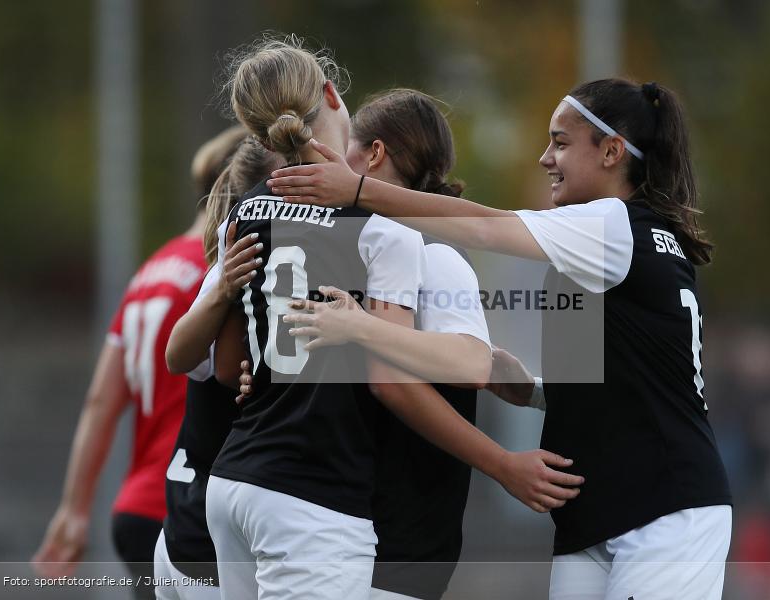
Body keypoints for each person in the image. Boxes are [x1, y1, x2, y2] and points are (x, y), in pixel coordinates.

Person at [269, 78, 733, 600]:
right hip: (598, 510)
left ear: (611, 151)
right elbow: (628, 380)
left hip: (662, 508)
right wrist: (530, 389)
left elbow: (484, 226)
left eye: (560, 142)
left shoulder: (613, 224)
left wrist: (357, 192)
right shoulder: (610, 242)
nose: (544, 158)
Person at [204, 36, 582, 600]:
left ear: (374, 155)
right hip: (341, 511)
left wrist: (537, 394)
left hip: (282, 491)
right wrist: (503, 461)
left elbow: (471, 362)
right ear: (329, 97)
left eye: (351, 148)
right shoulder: (382, 235)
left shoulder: (270, 215)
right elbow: (424, 374)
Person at [32, 126, 246, 599]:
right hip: (187, 503)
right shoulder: (220, 276)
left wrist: (74, 508)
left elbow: (100, 401)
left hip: (134, 507)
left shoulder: (149, 272)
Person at [153, 135, 278, 600]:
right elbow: (188, 359)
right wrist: (225, 288)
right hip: (200, 532)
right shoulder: (235, 265)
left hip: (198, 523)